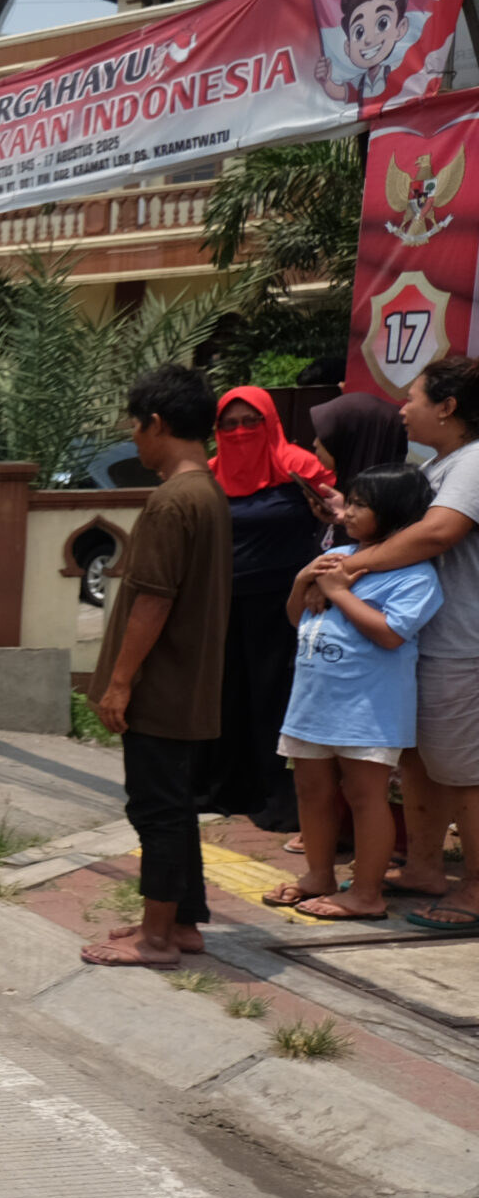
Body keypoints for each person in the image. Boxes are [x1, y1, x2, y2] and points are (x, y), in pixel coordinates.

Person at [306, 355, 479, 934]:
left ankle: (476, 887)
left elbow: (436, 533)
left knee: (465, 772)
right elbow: (406, 526)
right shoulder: (440, 466)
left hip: (461, 644)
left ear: (448, 408)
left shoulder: (475, 462)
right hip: (427, 641)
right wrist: (349, 518)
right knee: (424, 763)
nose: (402, 409)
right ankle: (426, 868)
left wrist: (349, 572)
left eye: (415, 398)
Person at [81, 366, 232, 968]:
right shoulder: (209, 493)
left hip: (162, 688)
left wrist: (120, 682)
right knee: (174, 805)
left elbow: (154, 600)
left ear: (158, 423)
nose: (134, 440)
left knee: (157, 810)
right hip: (189, 685)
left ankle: (158, 937)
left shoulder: (173, 502)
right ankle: (182, 921)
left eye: (136, 427)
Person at [268, 464, 441, 921]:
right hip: (312, 701)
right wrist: (303, 581)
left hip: (369, 710)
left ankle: (366, 892)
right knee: (311, 789)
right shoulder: (339, 558)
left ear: (395, 514)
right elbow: (297, 618)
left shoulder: (414, 575)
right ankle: (318, 875)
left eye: (362, 505)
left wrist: (338, 592)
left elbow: (389, 635)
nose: (348, 512)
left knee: (366, 796)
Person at [201, 385, 332, 832]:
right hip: (221, 602)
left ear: (270, 422)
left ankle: (275, 798)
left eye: (250, 422)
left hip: (283, 603)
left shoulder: (298, 466)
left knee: (274, 696)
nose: (240, 432)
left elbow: (337, 514)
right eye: (229, 424)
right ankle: (223, 788)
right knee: (225, 693)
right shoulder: (208, 474)